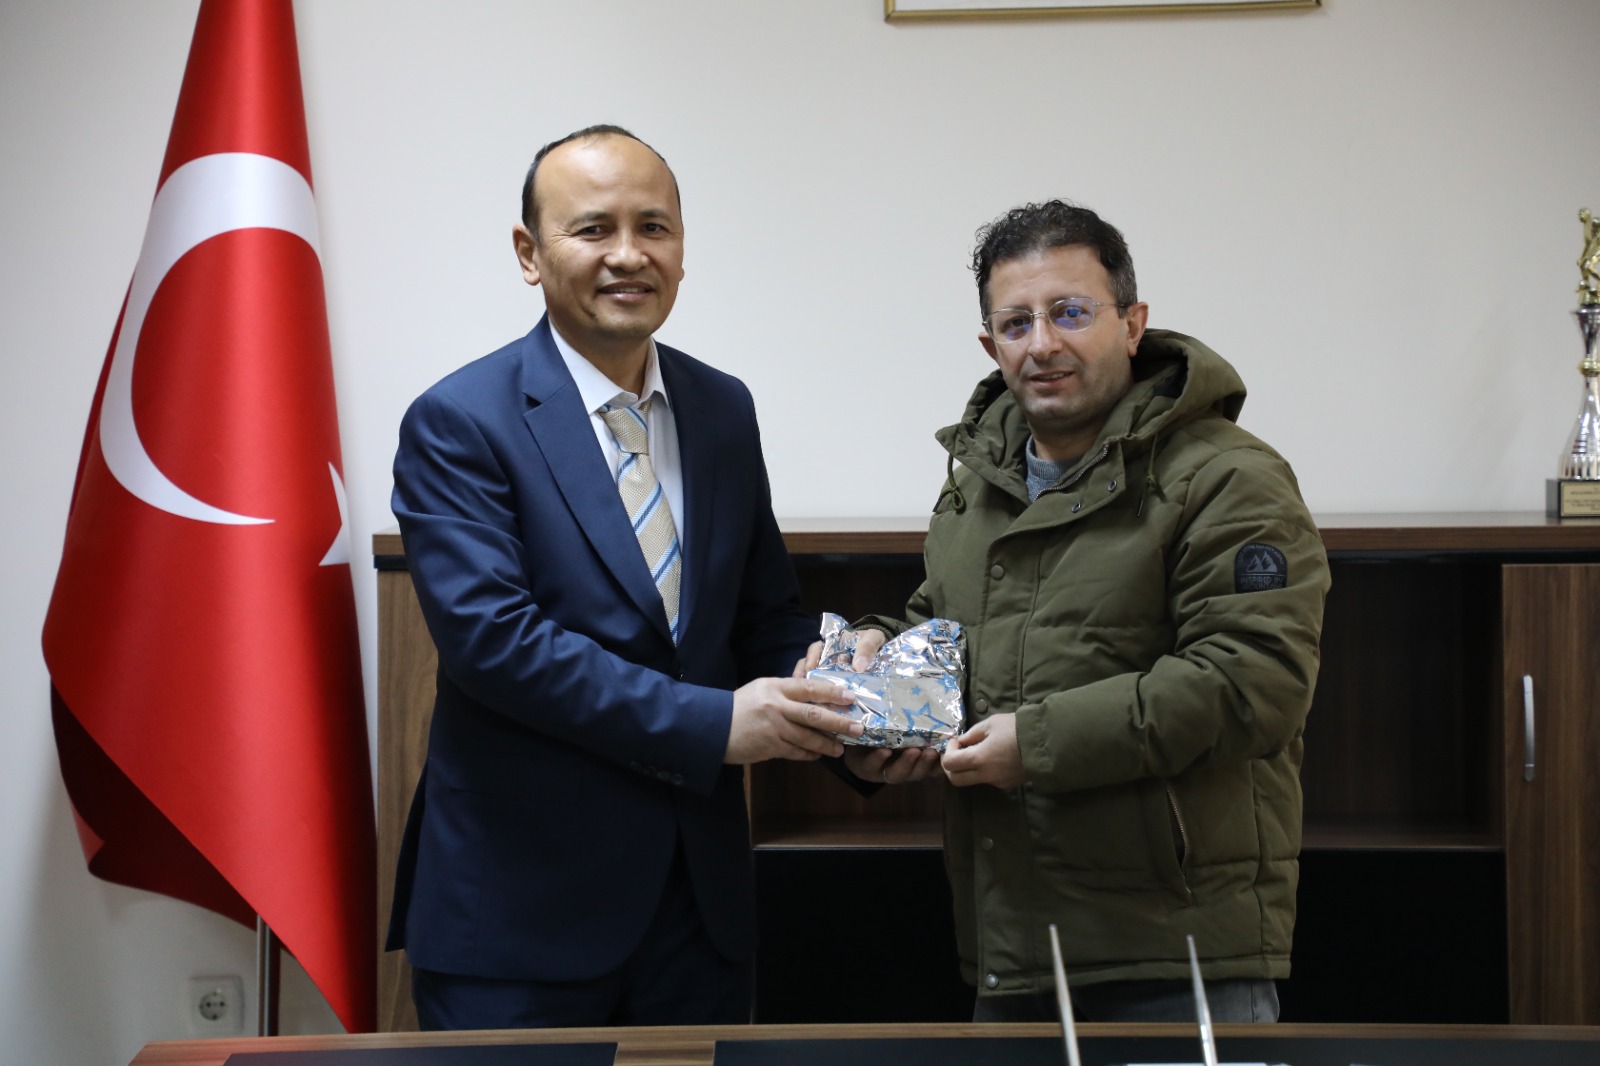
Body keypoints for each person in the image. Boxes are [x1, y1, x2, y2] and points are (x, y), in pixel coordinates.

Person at [385, 125, 860, 1030]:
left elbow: (763, 618)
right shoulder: (460, 420)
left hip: (700, 916)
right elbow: (497, 646)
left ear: (682, 248)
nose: (630, 254)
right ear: (530, 253)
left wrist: (852, 692)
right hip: (521, 919)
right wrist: (715, 724)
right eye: (594, 229)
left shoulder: (722, 407)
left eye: (654, 227)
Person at [829, 200, 1329, 1023]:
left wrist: (1035, 745)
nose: (1043, 344)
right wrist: (877, 678)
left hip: (1178, 955)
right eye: (1016, 323)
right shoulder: (977, 485)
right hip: (1010, 945)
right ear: (991, 346)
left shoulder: (1230, 478)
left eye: (1069, 312)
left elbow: (1252, 684)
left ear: (1131, 324)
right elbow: (946, 625)